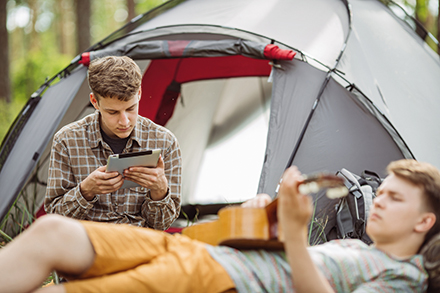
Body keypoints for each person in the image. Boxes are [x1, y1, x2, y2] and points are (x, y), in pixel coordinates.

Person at [2, 159, 440, 292]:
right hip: (203, 251)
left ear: (425, 221)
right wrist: (264, 221)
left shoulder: (406, 277)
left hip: (224, 278)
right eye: (381, 191)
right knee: (52, 230)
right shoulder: (360, 249)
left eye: (394, 198)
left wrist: (292, 234)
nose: (378, 200)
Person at [44, 56, 182, 230]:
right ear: (95, 102)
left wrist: (159, 190)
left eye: (130, 109)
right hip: (88, 242)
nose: (124, 121)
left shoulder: (165, 142)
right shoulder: (66, 141)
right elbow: (54, 220)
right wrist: (86, 191)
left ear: (139, 94)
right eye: (113, 112)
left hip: (140, 243)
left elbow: (162, 224)